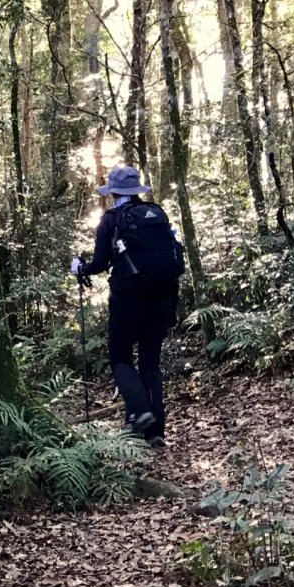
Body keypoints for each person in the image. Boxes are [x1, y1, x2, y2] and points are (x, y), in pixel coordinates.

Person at [70, 166, 183, 449]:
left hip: (128, 300)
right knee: (150, 362)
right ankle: (156, 433)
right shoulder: (157, 215)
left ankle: (139, 410)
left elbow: (99, 263)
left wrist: (79, 267)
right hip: (161, 299)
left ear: (114, 193)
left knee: (120, 357)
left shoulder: (111, 220)